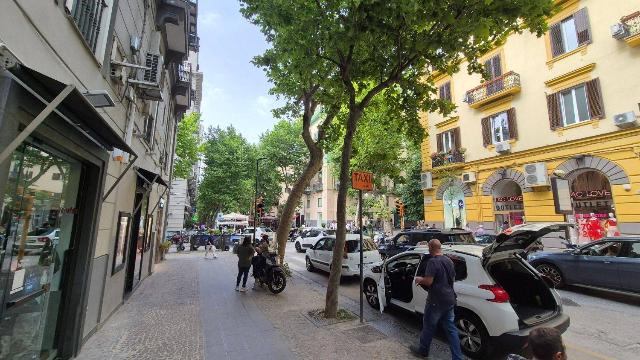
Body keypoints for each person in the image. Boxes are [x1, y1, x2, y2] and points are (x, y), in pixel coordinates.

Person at [410, 239, 463, 360]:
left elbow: (429, 281)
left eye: (429, 248)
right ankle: (458, 357)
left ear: (430, 248)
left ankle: (423, 351)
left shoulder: (433, 262)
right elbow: (452, 278)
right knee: (451, 330)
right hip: (449, 300)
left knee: (428, 326)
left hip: (436, 301)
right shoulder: (449, 260)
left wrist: (419, 279)